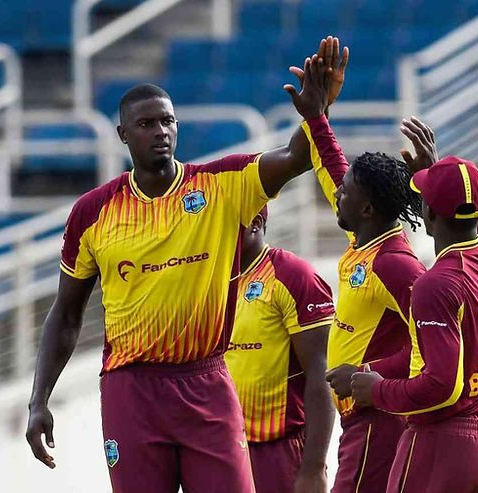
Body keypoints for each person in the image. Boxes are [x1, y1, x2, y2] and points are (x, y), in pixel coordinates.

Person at [25, 46, 336, 492]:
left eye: (167, 121)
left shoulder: (223, 186)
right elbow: (67, 314)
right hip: (132, 388)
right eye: (146, 124)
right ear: (122, 134)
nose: (160, 132)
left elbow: (296, 158)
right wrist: (39, 400)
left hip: (205, 380)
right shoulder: (92, 213)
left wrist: (317, 114)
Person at [350, 119, 478, 493]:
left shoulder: (436, 283)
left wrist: (376, 390)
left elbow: (441, 386)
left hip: (444, 442)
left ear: (427, 217)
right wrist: (437, 173)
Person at [299, 47, 429, 491]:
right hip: (361, 419)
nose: (337, 194)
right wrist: (318, 117)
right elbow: (336, 170)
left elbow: (436, 342)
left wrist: (367, 373)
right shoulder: (366, 240)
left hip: (381, 420)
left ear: (368, 207)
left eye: (346, 193)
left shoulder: (396, 265)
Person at [225, 205, 335, 493]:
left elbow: (320, 372)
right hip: (220, 449)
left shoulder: (293, 275)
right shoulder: (206, 280)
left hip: (277, 451)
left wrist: (314, 468)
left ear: (255, 223)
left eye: (222, 223)